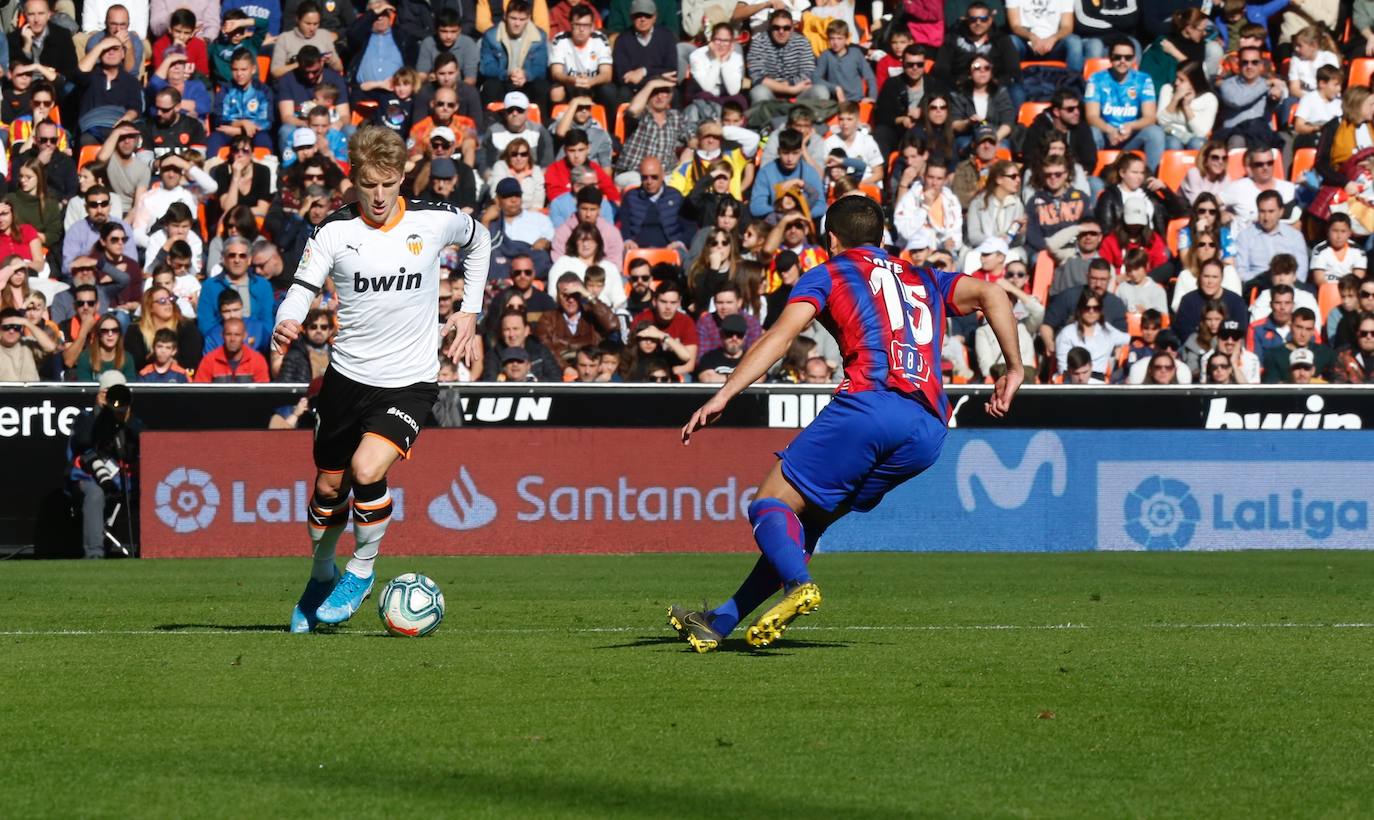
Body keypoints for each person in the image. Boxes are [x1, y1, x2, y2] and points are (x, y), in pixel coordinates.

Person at [670, 196, 1023, 653]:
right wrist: (1014, 368)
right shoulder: (923, 275)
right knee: (805, 522)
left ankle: (799, 585)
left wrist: (724, 393)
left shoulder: (831, 272)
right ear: (881, 238)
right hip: (930, 429)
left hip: (870, 406)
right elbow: (994, 293)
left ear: (831, 238)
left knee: (768, 504)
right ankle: (720, 621)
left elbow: (780, 336)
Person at [271, 126, 491, 632]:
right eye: (368, 182)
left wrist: (469, 311)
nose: (377, 194)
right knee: (329, 489)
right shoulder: (334, 231)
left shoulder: (433, 221)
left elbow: (479, 244)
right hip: (347, 378)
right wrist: (290, 318)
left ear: (401, 180)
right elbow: (304, 283)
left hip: (410, 381)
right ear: (355, 179)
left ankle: (362, 570)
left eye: (387, 183)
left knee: (368, 470)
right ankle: (322, 574)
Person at [67, 371, 141, 558]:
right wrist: (104, 415)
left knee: (151, 492)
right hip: (87, 476)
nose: (112, 399)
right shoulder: (86, 418)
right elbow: (85, 444)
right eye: (106, 393)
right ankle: (94, 554)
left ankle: (150, 550)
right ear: (99, 394)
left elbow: (143, 442)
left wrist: (125, 418)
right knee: (95, 494)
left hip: (122, 478)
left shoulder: (130, 421)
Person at [1084, 38, 1165, 172]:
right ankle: (1091, 176)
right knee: (1091, 131)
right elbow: (1091, 116)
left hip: (1130, 136)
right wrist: (1109, 130)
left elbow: (1150, 117)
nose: (1122, 61)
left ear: (1134, 59)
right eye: (1117, 57)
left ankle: (1147, 179)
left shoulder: (1143, 79)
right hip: (1105, 134)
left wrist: (1131, 126)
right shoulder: (1096, 79)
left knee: (1155, 132)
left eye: (1128, 57)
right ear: (1110, 58)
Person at [1333, 313, 1374, 383]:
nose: (1368, 337)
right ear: (1357, 333)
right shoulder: (1343, 357)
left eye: (1373, 333)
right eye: (1364, 333)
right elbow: (1338, 386)